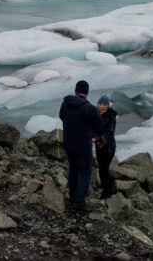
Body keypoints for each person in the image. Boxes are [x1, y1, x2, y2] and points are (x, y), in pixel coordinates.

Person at [58, 79, 101, 213]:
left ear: (76, 91)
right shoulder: (89, 108)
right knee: (85, 173)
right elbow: (98, 122)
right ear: (86, 92)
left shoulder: (65, 104)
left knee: (73, 170)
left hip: (68, 143)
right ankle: (79, 203)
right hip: (83, 145)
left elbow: (62, 116)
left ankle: (72, 197)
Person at [93, 94, 117, 199]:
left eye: (104, 104)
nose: (102, 106)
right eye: (100, 104)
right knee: (102, 169)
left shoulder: (111, 116)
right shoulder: (96, 114)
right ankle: (108, 189)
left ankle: (106, 193)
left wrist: (97, 138)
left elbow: (110, 133)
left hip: (109, 147)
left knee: (103, 169)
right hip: (99, 147)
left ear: (107, 106)